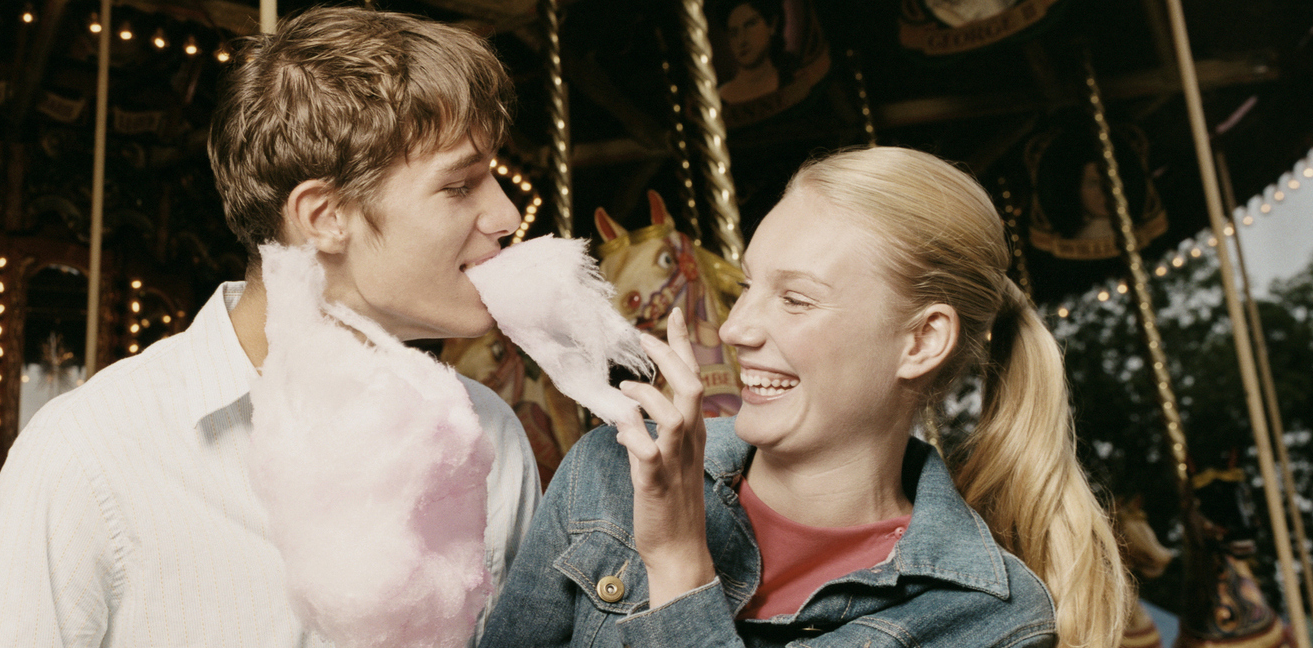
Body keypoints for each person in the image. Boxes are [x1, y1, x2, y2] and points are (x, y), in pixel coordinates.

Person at [0, 7, 541, 647]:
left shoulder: (491, 440)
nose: (505, 212)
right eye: (460, 184)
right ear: (325, 215)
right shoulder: (91, 453)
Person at [479, 147, 1131, 647]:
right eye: (745, 289)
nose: (736, 330)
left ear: (921, 342)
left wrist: (679, 565)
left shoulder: (989, 616)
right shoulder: (607, 475)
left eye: (795, 299)